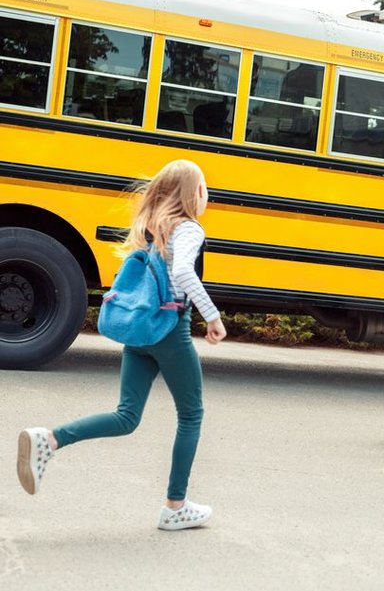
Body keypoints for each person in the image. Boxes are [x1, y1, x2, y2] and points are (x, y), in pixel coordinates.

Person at [16, 159, 227, 530]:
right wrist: (212, 316)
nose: (207, 193)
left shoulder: (151, 229)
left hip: (140, 329)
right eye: (204, 186)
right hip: (169, 330)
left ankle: (49, 439)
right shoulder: (189, 229)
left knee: (126, 416)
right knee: (191, 415)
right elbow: (182, 273)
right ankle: (175, 505)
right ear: (194, 193)